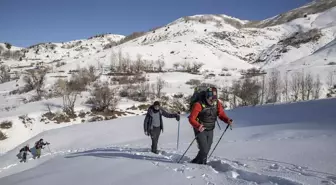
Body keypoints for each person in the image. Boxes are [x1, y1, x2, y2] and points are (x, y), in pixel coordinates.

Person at [188, 87, 233, 164]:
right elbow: (191, 119)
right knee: (204, 149)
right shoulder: (198, 104)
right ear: (206, 97)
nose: (212, 102)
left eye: (214, 99)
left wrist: (227, 120)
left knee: (207, 149)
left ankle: (197, 162)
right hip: (200, 129)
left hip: (210, 128)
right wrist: (198, 126)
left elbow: (221, 114)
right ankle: (201, 164)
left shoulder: (216, 103)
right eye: (211, 99)